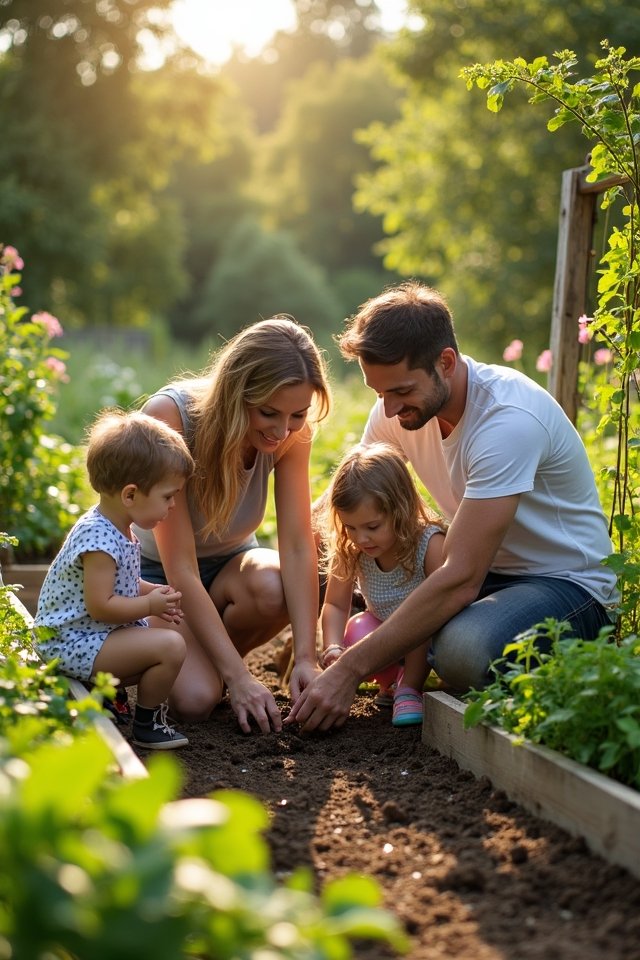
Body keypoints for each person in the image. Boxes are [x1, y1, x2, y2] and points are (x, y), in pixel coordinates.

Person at [286, 280, 619, 732]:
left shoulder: (506, 422)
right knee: (344, 566)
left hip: (562, 584)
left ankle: (425, 657)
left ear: (445, 362)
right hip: (483, 575)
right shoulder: (402, 408)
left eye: (400, 391)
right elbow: (339, 508)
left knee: (463, 650)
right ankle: (409, 652)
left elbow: (460, 577)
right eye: (379, 393)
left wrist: (349, 669)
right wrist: (306, 641)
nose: (388, 409)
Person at [135, 316, 331, 734]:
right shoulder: (170, 417)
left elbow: (297, 544)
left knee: (273, 585)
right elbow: (181, 568)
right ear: (236, 393)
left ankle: (210, 663)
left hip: (231, 569)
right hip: (157, 580)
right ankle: (212, 670)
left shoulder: (292, 434)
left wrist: (306, 658)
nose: (282, 430)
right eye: (268, 413)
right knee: (195, 701)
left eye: (298, 414)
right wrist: (240, 677)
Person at [35, 409, 195, 750]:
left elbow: (121, 583)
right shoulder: (99, 539)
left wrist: (152, 591)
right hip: (69, 643)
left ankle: (103, 691)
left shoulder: (115, 527)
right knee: (170, 646)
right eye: (168, 496)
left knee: (164, 638)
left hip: (87, 636)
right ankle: (148, 725)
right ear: (130, 495)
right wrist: (149, 605)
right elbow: (101, 605)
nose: (172, 506)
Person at [319, 443, 446, 726]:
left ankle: (410, 687)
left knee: (418, 623)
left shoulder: (429, 544)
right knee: (357, 629)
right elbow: (335, 604)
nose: (361, 538)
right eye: (351, 527)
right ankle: (389, 683)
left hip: (424, 633)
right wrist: (333, 648)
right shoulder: (351, 548)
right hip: (383, 635)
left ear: (401, 509)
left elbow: (441, 607)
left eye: (372, 527)